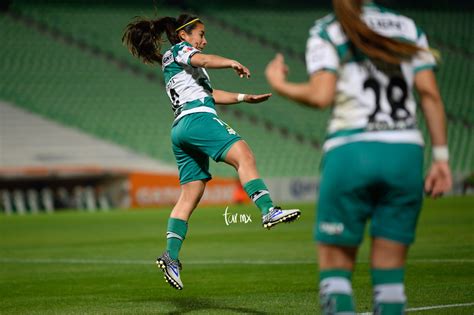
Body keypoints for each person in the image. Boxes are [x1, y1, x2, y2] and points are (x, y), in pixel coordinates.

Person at [265, 1, 452, 314]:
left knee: (335, 276)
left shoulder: (328, 30)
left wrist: (278, 83)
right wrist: (442, 158)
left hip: (352, 152)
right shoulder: (407, 27)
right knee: (391, 281)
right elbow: (430, 94)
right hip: (405, 153)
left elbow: (321, 95)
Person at [122, 14, 301, 290]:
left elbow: (211, 94)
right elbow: (203, 62)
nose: (204, 41)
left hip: (181, 128)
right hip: (198, 120)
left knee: (190, 195)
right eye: (200, 35)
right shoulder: (181, 50)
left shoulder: (176, 62)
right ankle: (268, 210)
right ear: (184, 35)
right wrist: (231, 62)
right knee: (244, 156)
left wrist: (244, 97)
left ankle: (171, 256)